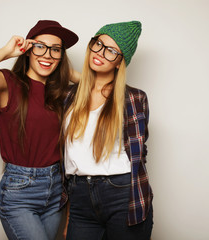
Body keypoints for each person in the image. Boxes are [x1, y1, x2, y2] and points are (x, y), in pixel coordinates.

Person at [0, 20, 78, 240]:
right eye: (40, 46)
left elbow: (100, 88)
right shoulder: (10, 83)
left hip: (56, 192)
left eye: (56, 50)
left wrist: (64, 70)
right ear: (28, 50)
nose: (47, 54)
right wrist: (7, 51)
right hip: (20, 192)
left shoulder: (61, 94)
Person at [63, 21, 153, 240]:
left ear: (120, 62)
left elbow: (139, 152)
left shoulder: (134, 98)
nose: (101, 53)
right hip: (79, 195)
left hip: (121, 194)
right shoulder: (68, 97)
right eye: (99, 43)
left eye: (112, 51)